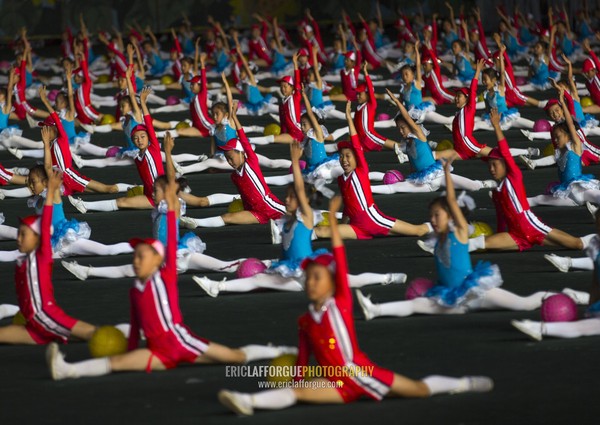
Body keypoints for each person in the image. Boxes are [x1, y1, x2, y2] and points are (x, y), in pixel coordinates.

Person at [217, 196, 493, 416]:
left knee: (418, 390)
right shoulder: (304, 320)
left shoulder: (341, 303)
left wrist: (335, 228)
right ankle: (246, 400)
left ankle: (461, 383)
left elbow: (339, 256)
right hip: (335, 382)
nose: (311, 284)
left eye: (318, 278)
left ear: (332, 283)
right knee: (298, 392)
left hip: (361, 374)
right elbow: (302, 361)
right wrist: (296, 378)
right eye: (309, 278)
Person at [46, 177, 296, 379]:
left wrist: (170, 185)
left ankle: (278, 350)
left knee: (235, 357)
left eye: (142, 256)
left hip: (182, 343)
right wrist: (132, 348)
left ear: (156, 259)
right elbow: (135, 327)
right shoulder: (136, 289)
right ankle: (68, 369)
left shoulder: (164, 275)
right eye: (137, 255)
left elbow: (173, 227)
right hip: (158, 352)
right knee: (117, 362)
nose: (136, 260)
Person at [357, 158, 587, 319]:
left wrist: (447, 174)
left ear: (450, 216)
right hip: (452, 298)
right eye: (431, 216)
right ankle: (375, 310)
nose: (433, 220)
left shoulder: (458, 231)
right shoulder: (436, 239)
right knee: (417, 305)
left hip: (476, 293)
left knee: (524, 304)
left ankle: (561, 295)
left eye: (437, 215)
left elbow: (450, 199)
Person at [193, 142, 405, 297]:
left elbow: (301, 188)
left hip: (308, 275)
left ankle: (386, 277)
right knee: (259, 279)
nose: (285, 201)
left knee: (349, 280)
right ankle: (217, 286)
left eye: (289, 198)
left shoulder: (305, 216)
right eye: (286, 197)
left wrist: (295, 161)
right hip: (292, 273)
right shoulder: (285, 221)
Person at [466, 109, 593, 253]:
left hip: (532, 227)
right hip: (515, 235)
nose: (491, 169)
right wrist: (499, 236)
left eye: (495, 164)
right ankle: (445, 250)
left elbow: (505, 151)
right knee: (480, 243)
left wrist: (496, 127)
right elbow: (501, 219)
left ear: (505, 164)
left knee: (576, 244)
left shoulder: (514, 176)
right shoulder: (496, 191)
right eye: (489, 165)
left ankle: (596, 240)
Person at [0, 170, 98, 345]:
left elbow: (46, 225)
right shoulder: (23, 259)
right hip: (33, 324)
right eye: (20, 234)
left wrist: (52, 190)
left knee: (91, 334)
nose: (19, 238)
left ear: (38, 238)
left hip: (46, 318)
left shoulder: (42, 253)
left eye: (24, 235)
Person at [314, 102, 431, 240]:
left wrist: (349, 119)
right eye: (341, 156)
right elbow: (347, 208)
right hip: (356, 227)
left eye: (348, 156)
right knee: (321, 231)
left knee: (417, 231)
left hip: (374, 220)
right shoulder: (341, 179)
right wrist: (342, 225)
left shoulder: (361, 170)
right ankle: (282, 236)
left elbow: (356, 143)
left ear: (356, 158)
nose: (344, 160)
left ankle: (446, 228)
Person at [180, 101, 286, 229]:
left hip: (270, 206)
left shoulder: (251, 161)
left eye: (231, 158)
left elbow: (243, 138)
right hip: (255, 212)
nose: (229, 162)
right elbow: (245, 197)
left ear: (241, 153)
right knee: (227, 217)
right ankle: (195, 221)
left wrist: (234, 117)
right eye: (227, 159)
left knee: (298, 219)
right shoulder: (234, 177)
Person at [528, 89, 600, 208]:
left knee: (597, 196)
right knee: (539, 199)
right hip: (567, 195)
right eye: (554, 137)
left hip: (581, 189)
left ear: (567, 135)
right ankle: (510, 199)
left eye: (558, 137)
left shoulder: (574, 145)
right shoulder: (558, 152)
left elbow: (570, 124)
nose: (555, 140)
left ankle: (597, 214)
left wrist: (562, 101)